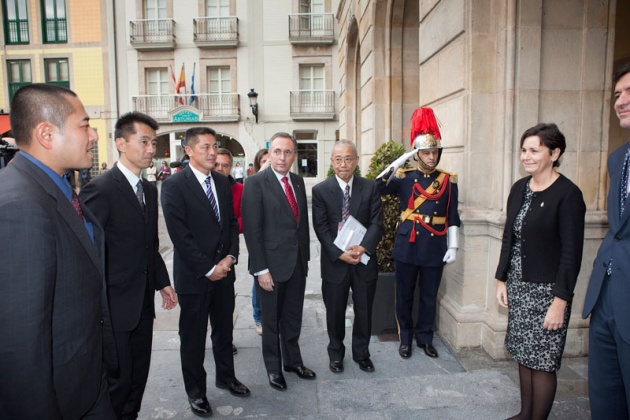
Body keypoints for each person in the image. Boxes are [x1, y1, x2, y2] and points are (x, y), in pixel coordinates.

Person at [0, 83, 116, 418]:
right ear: (47, 134)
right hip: (60, 399)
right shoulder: (18, 204)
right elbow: (19, 344)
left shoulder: (55, 185)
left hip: (88, 382)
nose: (93, 135)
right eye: (84, 125)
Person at [80, 111, 178, 419]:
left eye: (154, 142)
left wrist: (163, 282)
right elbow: (90, 253)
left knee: (139, 377)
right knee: (117, 382)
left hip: (142, 305)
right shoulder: (101, 189)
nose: (152, 149)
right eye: (145, 141)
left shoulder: (148, 189)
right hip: (113, 308)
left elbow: (149, 244)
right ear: (121, 143)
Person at [494, 123, 586, 419]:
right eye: (524, 150)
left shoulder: (568, 195)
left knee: (543, 360)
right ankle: (525, 413)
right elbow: (509, 236)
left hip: (548, 293)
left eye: (534, 150)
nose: (527, 156)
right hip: (519, 287)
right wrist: (501, 278)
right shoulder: (519, 188)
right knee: (523, 351)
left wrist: (560, 301)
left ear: (554, 153)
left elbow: (572, 253)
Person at [161, 127, 250, 417]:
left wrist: (230, 257)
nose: (212, 152)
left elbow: (232, 226)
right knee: (194, 338)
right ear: (188, 151)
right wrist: (209, 268)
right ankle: (196, 392)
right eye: (205, 147)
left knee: (224, 332)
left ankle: (226, 377)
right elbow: (181, 237)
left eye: (215, 146)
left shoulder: (224, 183)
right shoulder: (174, 186)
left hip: (225, 274)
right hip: (195, 278)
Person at [377, 108, 460, 359]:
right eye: (426, 152)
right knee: (403, 295)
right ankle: (405, 339)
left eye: (435, 152)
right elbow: (376, 187)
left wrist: (453, 245)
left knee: (428, 296)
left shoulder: (448, 180)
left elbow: (453, 215)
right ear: (417, 154)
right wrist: (396, 164)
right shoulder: (404, 177)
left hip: (434, 246)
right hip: (407, 245)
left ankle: (425, 338)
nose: (431, 156)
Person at [242, 133, 315, 391]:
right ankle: (274, 369)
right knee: (271, 322)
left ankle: (293, 362)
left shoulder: (297, 181)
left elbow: (301, 225)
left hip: (296, 265)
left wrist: (304, 260)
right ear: (269, 153)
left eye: (287, 152)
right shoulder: (255, 183)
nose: (282, 157)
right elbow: (252, 230)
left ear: (294, 156)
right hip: (270, 268)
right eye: (277, 151)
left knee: (293, 318)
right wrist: (260, 269)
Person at [312, 140, 384, 373]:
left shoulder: (370, 187)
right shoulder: (320, 191)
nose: (343, 164)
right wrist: (339, 254)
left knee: (364, 310)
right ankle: (336, 354)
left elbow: (376, 222)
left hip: (363, 261)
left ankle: (362, 354)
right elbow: (321, 228)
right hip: (335, 263)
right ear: (332, 161)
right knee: (334, 312)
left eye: (348, 159)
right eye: (338, 159)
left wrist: (363, 247)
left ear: (356, 161)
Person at [583, 62, 630, 419]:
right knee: (605, 398)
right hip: (606, 298)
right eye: (617, 94)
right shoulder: (618, 159)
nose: (621, 101)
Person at [215, 147, 244, 355]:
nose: (220, 168)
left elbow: (242, 218)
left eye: (225, 165)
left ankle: (225, 340)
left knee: (225, 307)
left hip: (228, 254)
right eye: (216, 164)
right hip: (203, 260)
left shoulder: (239, 189)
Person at [249, 148, 271, 336]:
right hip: (260, 247)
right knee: (258, 285)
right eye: (264, 161)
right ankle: (259, 318)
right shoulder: (253, 184)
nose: (269, 163)